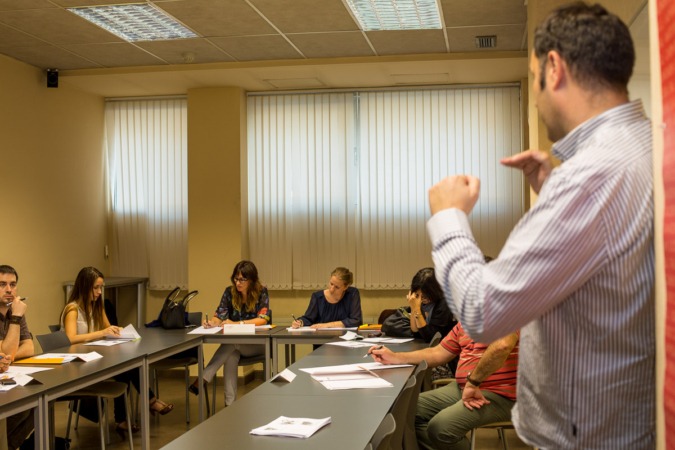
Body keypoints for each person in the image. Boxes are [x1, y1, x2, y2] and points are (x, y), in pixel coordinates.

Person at [427, 3, 654, 448]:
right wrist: (555, 189)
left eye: (533, 79)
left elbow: (482, 312)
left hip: (585, 435)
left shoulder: (590, 179)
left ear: (554, 68)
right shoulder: (642, 144)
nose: (535, 94)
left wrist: (447, 217)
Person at [369, 323, 519, 449]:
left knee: (441, 428)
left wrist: (473, 383)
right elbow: (437, 353)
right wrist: (394, 357)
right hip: (465, 388)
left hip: (503, 395)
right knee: (404, 410)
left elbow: (502, 346)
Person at [61, 267, 174, 433]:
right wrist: (101, 333)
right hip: (79, 363)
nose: (99, 292)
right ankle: (147, 404)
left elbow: (108, 328)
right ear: (84, 286)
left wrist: (116, 330)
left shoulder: (96, 306)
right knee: (126, 370)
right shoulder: (72, 310)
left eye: (101, 287)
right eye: (96, 288)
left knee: (128, 367)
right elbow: (70, 338)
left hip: (96, 358)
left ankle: (124, 419)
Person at [190, 260, 270, 406]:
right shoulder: (229, 292)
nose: (238, 283)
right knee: (231, 355)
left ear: (251, 280)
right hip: (236, 346)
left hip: (257, 344)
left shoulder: (261, 291)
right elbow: (220, 314)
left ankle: (203, 378)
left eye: (242, 279)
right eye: (236, 278)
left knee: (233, 342)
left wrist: (237, 324)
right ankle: (229, 405)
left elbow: (263, 319)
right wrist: (212, 323)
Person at [0, 265, 35, 450]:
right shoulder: (16, 312)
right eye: (2, 284)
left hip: (9, 374)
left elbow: (29, 347)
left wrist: (8, 356)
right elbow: (6, 350)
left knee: (37, 404)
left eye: (13, 284)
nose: (9, 289)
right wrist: (15, 318)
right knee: (20, 408)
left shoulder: (15, 310)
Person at [382, 267, 455, 342]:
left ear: (434, 290)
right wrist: (414, 307)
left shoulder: (445, 303)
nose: (421, 299)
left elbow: (431, 337)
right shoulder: (421, 302)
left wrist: (417, 309)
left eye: (425, 295)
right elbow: (415, 331)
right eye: (417, 295)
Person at [291, 267, 362, 329]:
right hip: (322, 340)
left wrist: (327, 325)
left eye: (337, 287)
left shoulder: (352, 294)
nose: (332, 289)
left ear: (345, 287)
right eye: (331, 284)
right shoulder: (318, 297)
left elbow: (356, 321)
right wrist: (300, 322)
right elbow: (309, 319)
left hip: (346, 340)